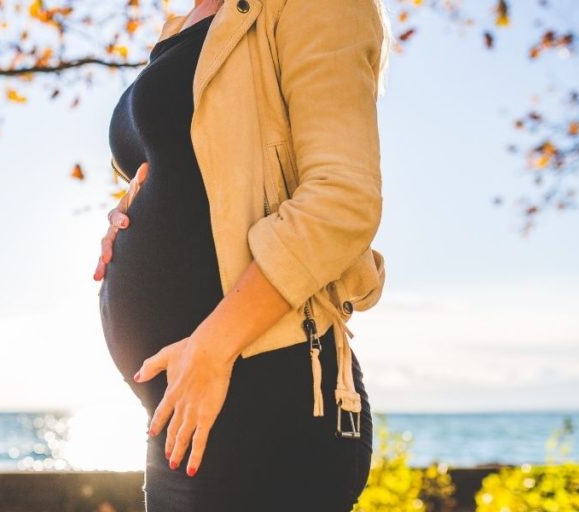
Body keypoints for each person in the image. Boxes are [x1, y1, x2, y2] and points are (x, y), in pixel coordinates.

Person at [93, 0, 393, 509]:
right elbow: (199, 177)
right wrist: (128, 215)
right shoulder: (183, 25)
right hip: (186, 406)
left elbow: (342, 199)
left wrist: (212, 347)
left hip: (266, 393)